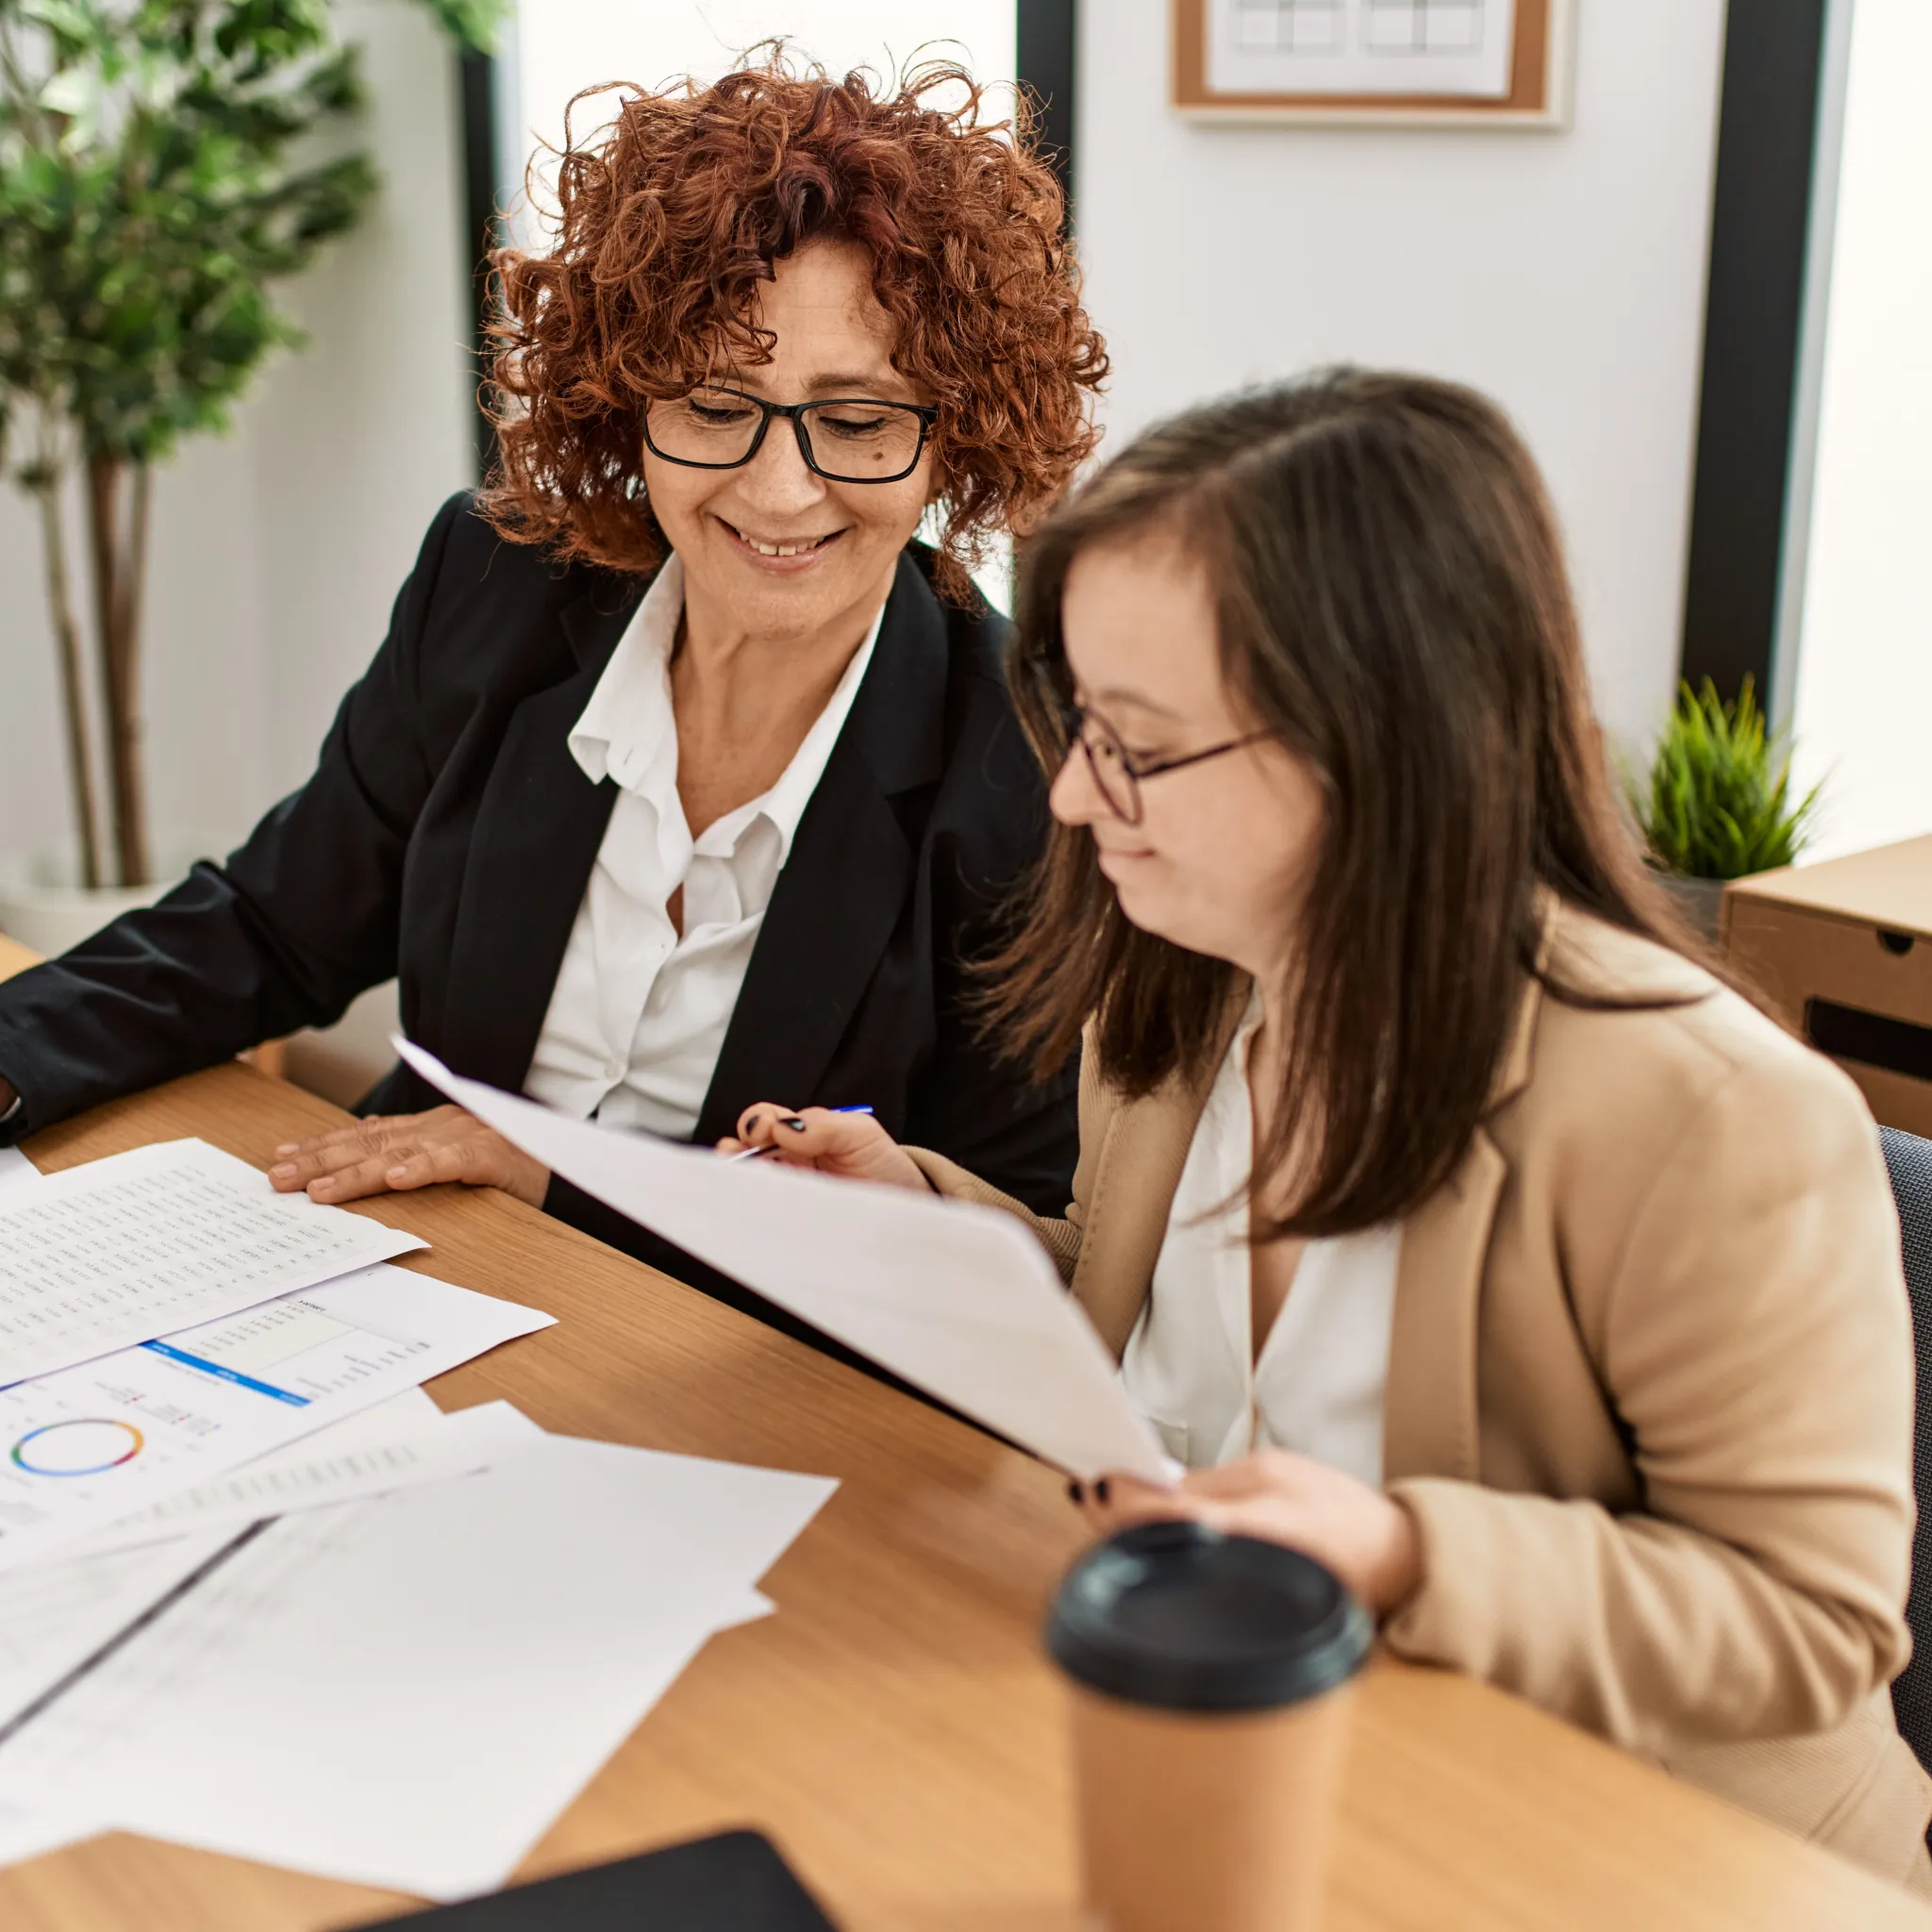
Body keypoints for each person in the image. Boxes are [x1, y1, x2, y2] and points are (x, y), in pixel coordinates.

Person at [727, 370, 1932, 1890]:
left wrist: (1409, 1552)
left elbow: (1807, 1624)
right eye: (1083, 723)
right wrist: (923, 1213)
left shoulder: (1714, 1118)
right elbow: (1156, 1333)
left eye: (1143, 747)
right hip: (1271, 1776)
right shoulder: (1181, 996)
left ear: (1380, 749)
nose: (1079, 800)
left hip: (1631, 1857)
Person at [0, 58, 1106, 1331]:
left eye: (857, 422)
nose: (782, 489)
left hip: (744, 1393)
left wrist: (551, 1181)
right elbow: (268, 928)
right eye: (715, 403)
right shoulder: (501, 583)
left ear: (952, 435)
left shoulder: (1030, 761)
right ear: (626, 401)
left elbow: (991, 1244)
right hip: (402, 1293)